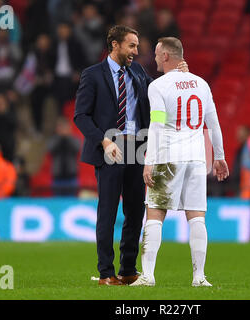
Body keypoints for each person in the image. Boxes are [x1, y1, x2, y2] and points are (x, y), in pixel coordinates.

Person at [74, 25, 187, 286]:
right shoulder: (92, 75)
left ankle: (127, 269)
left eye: (137, 46)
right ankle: (105, 273)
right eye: (132, 45)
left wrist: (178, 75)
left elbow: (159, 91)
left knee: (135, 211)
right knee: (108, 211)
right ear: (114, 44)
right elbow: (81, 116)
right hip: (111, 146)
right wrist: (103, 140)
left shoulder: (137, 72)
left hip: (137, 148)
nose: (137, 51)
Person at [130, 37, 229, 287]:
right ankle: (199, 277)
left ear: (165, 56)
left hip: (167, 156)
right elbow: (213, 124)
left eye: (156, 54)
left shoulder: (159, 87)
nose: (153, 58)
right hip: (197, 158)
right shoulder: (201, 84)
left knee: (155, 214)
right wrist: (219, 156)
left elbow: (157, 124)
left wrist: (149, 160)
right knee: (196, 217)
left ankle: (148, 276)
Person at [47, 117, 81, 196]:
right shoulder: (54, 139)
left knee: (71, 200)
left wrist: (67, 137)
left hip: (71, 176)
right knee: (57, 201)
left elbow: (77, 148)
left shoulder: (74, 139)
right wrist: (60, 137)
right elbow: (50, 149)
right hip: (57, 176)